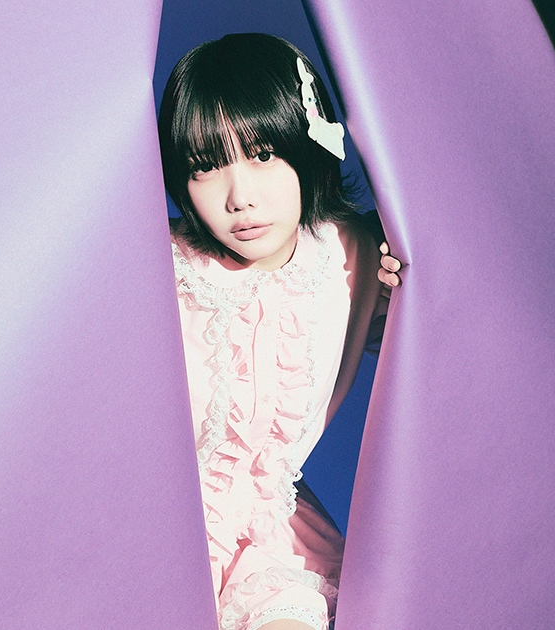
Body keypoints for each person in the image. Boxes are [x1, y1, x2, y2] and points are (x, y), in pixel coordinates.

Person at [158, 33, 401, 630]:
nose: (240, 198)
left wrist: (411, 287)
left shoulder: (356, 253)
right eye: (205, 167)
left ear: (308, 145)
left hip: (271, 545)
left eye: (263, 154)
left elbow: (443, 343)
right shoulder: (157, 265)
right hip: (150, 538)